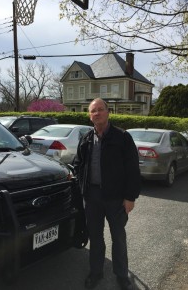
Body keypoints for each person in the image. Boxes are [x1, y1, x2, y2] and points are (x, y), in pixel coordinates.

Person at [74, 98, 141, 290]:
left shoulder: (122, 137)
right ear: (90, 115)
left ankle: (122, 276)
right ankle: (96, 272)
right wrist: (83, 188)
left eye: (100, 110)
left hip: (116, 199)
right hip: (92, 198)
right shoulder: (86, 139)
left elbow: (132, 169)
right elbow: (78, 164)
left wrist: (130, 197)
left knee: (118, 238)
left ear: (108, 112)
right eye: (93, 111)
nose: (97, 113)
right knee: (95, 238)